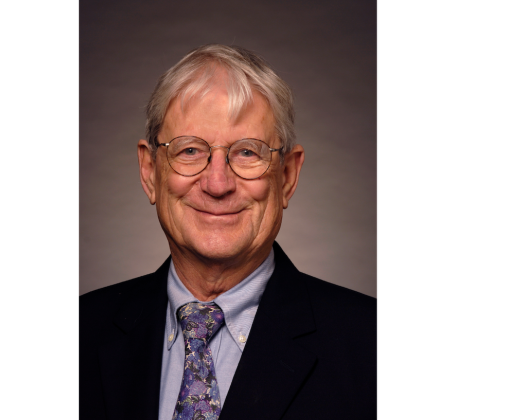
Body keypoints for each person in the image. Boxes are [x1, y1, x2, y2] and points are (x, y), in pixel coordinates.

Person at [78, 44, 377, 420]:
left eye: (247, 152)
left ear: (287, 176)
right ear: (150, 172)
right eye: (189, 150)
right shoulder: (84, 331)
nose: (217, 183)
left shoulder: (369, 346)